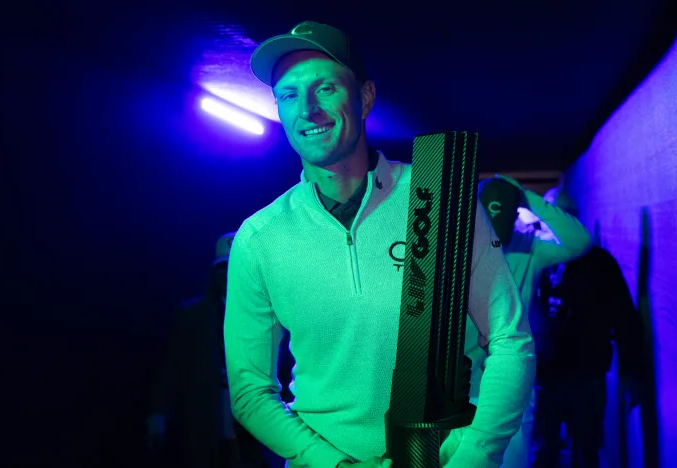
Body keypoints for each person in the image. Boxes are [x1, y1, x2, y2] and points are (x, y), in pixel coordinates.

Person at [224, 21, 535, 468]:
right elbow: (250, 391)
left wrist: (476, 454)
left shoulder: (440, 197)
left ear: (365, 97)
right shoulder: (259, 238)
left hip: (443, 457)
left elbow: (509, 339)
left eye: (325, 88)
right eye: (289, 95)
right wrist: (331, 463)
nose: (307, 110)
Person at [469, 176, 593, 468]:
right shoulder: (461, 247)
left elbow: (581, 241)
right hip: (466, 386)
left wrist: (526, 197)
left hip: (513, 386)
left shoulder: (529, 248)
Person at [529, 188, 644, 468]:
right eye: (555, 216)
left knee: (587, 450)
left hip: (587, 376)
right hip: (544, 378)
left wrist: (631, 374)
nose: (561, 222)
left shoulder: (600, 263)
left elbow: (626, 320)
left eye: (568, 215)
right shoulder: (536, 261)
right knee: (543, 452)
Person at [147, 233, 271, 468]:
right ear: (216, 273)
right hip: (206, 421)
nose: (231, 274)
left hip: (255, 429)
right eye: (225, 267)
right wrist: (157, 415)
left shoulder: (267, 317)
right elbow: (171, 369)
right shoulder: (193, 316)